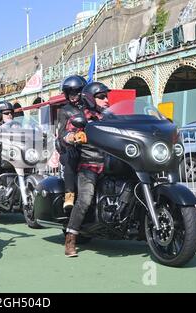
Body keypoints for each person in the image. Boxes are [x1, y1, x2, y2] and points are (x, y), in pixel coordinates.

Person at [64, 82, 111, 257]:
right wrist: (74, 136)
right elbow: (66, 135)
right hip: (89, 164)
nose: (106, 100)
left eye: (107, 96)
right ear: (91, 98)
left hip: (111, 164)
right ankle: (71, 238)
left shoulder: (110, 117)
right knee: (85, 198)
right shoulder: (81, 117)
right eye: (102, 97)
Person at [56, 75, 88, 211]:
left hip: (91, 146)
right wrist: (70, 138)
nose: (73, 96)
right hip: (70, 147)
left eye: (75, 92)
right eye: (70, 93)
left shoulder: (90, 108)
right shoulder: (64, 111)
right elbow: (62, 132)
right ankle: (69, 196)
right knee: (71, 158)